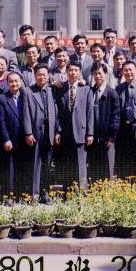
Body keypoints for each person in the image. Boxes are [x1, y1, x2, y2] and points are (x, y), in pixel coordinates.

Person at [53, 62, 94, 191]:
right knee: (66, 163)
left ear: (80, 72)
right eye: (70, 70)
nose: (73, 73)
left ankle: (81, 192)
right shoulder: (60, 88)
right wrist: (57, 131)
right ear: (66, 72)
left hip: (81, 132)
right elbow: (57, 112)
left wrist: (90, 133)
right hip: (65, 133)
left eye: (76, 70)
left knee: (81, 164)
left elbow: (90, 113)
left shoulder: (86, 90)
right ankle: (68, 191)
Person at [23, 64, 60, 202]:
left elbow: (57, 112)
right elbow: (26, 114)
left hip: (50, 132)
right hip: (35, 132)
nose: (41, 77)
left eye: (44, 74)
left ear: (48, 76)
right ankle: (34, 194)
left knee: (47, 164)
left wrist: (57, 131)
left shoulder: (53, 90)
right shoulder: (28, 91)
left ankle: (46, 193)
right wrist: (28, 133)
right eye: (39, 74)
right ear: (34, 75)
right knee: (35, 164)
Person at [0, 71, 26, 195]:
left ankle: (20, 194)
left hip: (24, 138)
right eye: (11, 81)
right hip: (9, 138)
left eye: (16, 81)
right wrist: (6, 139)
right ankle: (8, 195)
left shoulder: (25, 96)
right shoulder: (2, 98)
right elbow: (1, 121)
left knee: (21, 167)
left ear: (21, 82)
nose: (14, 84)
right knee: (9, 168)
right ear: (7, 83)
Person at [89, 64, 120, 181]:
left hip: (107, 137)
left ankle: (107, 190)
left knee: (107, 167)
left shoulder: (112, 93)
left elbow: (116, 117)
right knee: (94, 166)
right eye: (95, 73)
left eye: (100, 73)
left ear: (106, 74)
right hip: (93, 137)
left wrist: (111, 137)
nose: (98, 76)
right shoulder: (90, 91)